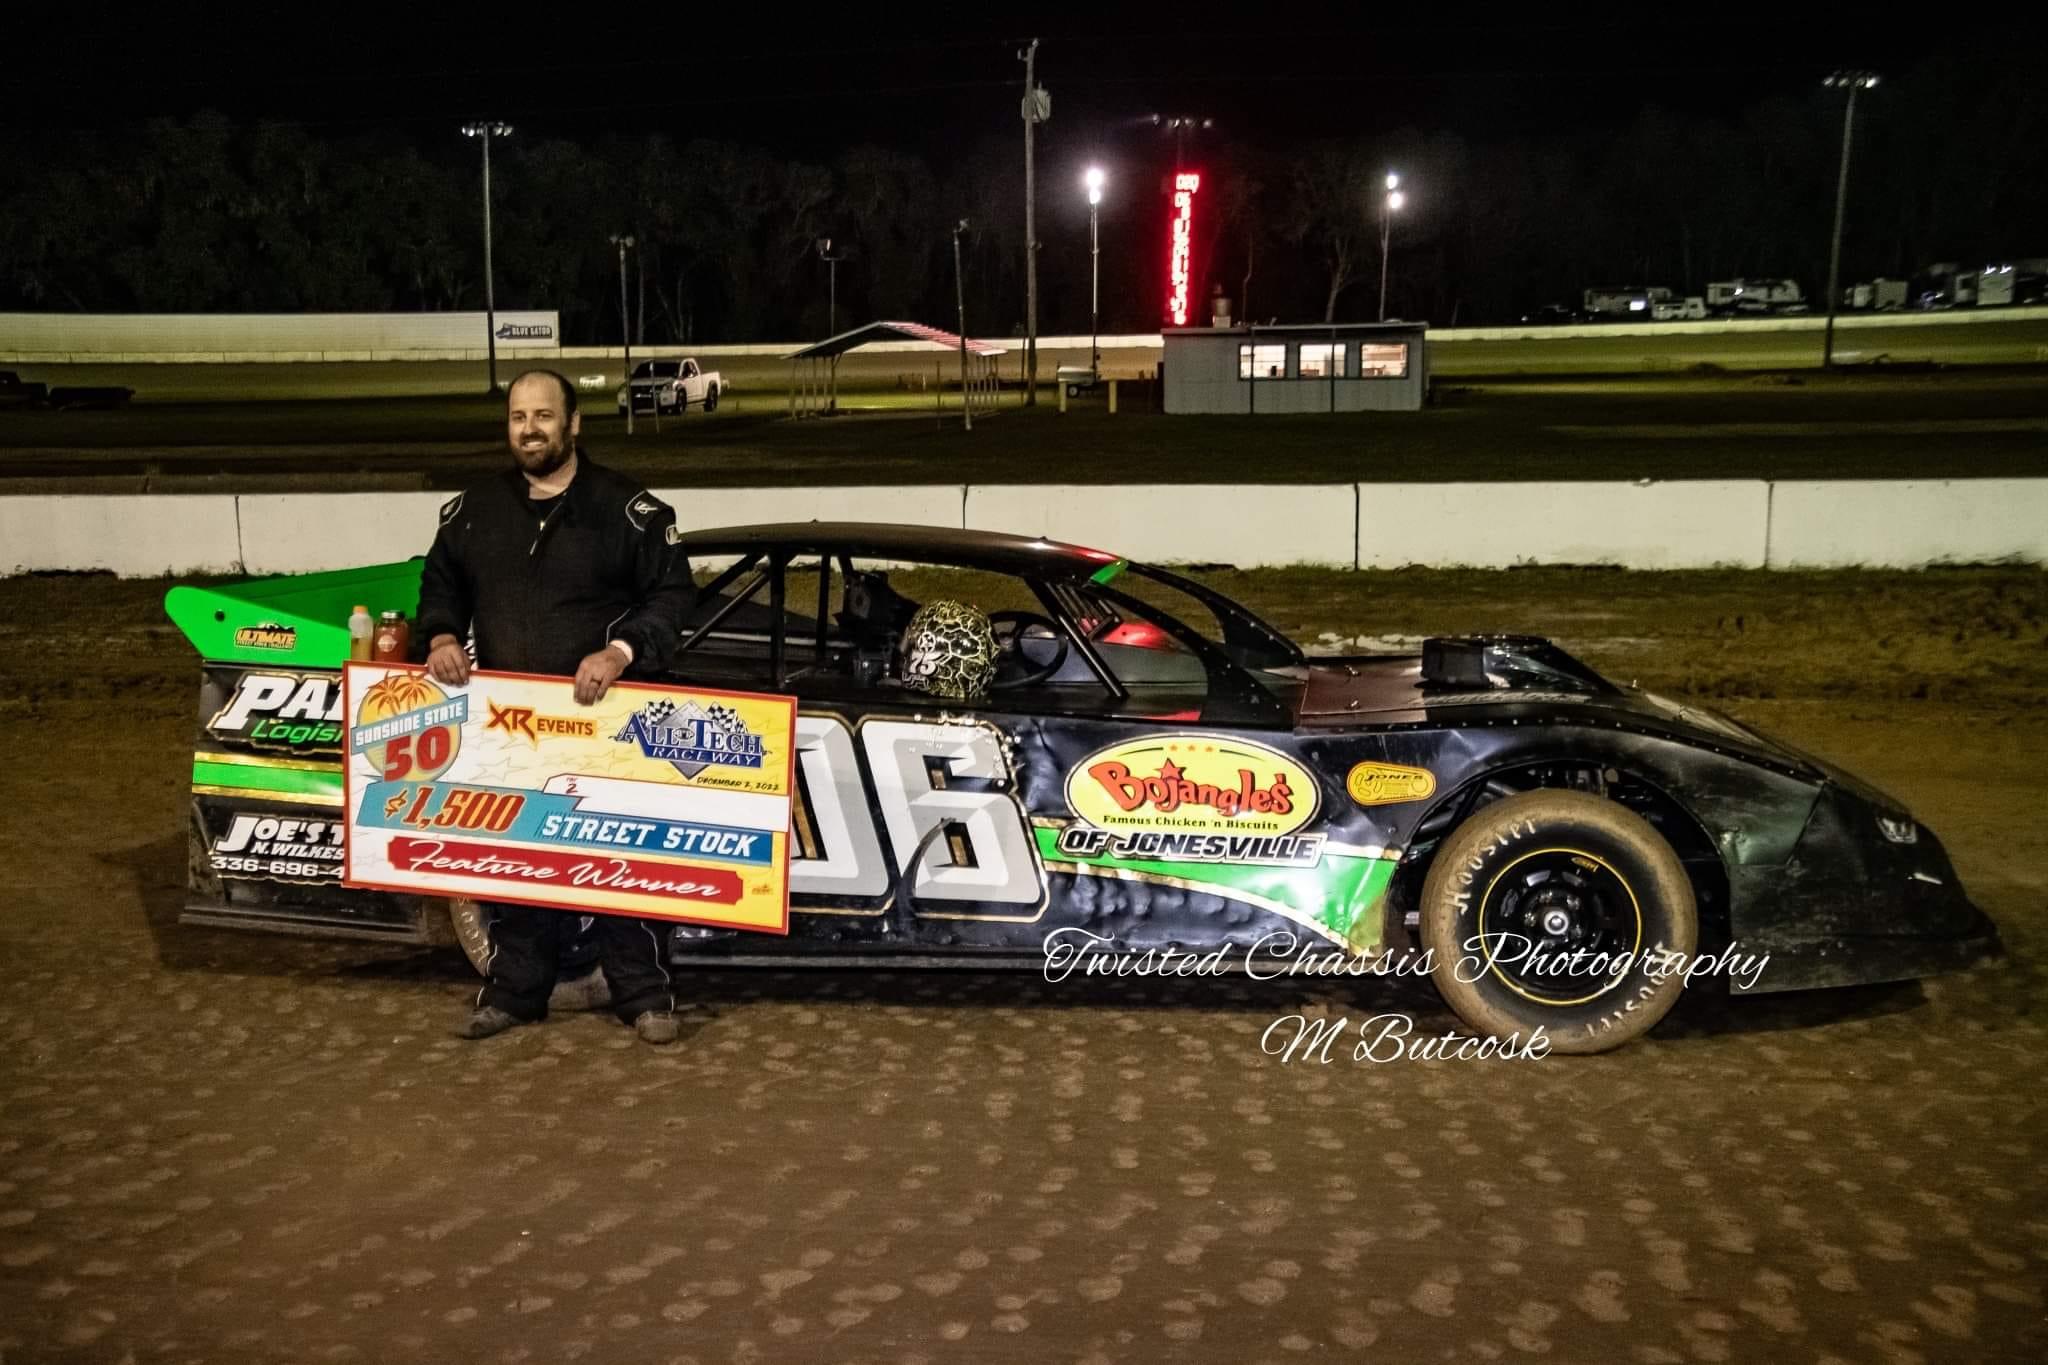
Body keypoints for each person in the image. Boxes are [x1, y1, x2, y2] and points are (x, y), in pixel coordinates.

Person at [417, 368, 697, 1045]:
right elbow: (439, 583)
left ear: (574, 424)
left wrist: (621, 651)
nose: (530, 429)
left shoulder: (627, 509)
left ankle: (644, 993)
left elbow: (674, 597)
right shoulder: (473, 511)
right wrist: (443, 633)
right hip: (510, 726)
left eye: (544, 416)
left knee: (621, 865)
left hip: (607, 725)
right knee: (517, 864)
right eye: (518, 417)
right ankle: (516, 991)